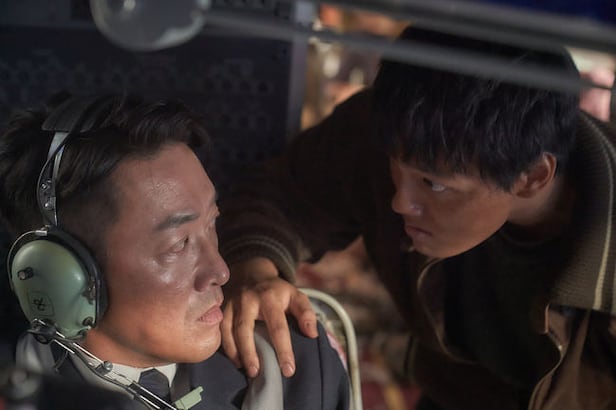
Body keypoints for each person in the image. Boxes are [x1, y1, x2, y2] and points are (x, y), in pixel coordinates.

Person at [218, 26, 616, 409]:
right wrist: (256, 271)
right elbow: (283, 193)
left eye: (433, 185)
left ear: (532, 177)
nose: (400, 202)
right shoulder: (403, 130)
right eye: (395, 167)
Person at [0, 94, 349, 409]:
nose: (221, 271)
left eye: (212, 223)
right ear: (62, 275)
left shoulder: (293, 366)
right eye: (178, 244)